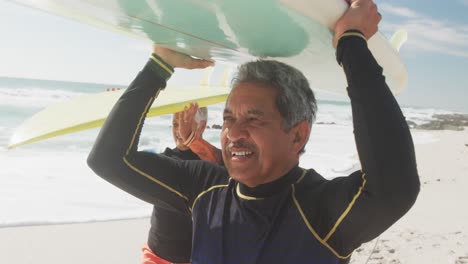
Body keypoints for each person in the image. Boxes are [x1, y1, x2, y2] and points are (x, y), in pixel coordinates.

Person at [88, 0, 420, 263]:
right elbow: (109, 159)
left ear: (297, 135)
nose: (233, 133)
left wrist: (351, 44)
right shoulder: (205, 189)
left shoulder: (321, 210)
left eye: (254, 119)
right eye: (229, 118)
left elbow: (394, 186)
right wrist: (158, 66)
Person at [142, 105, 222, 264]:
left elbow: (227, 171)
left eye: (185, 122)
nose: (179, 130)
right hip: (156, 255)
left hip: (194, 258)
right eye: (175, 124)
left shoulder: (212, 162)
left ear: (203, 126)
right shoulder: (164, 159)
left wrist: (193, 140)